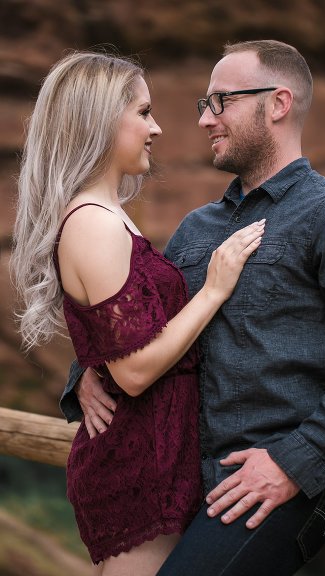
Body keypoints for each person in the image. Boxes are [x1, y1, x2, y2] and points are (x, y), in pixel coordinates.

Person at [62, 39, 325, 575]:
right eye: (203, 105)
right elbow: (141, 314)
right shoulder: (197, 228)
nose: (205, 120)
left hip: (280, 480)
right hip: (185, 474)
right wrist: (89, 370)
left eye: (221, 102)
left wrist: (293, 461)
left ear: (278, 103)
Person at [11, 52, 265, 574]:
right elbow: (133, 371)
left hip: (153, 454)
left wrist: (87, 369)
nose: (157, 128)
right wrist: (214, 290)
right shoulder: (95, 223)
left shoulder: (106, 216)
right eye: (143, 112)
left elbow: (115, 337)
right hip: (138, 466)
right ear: (102, 120)